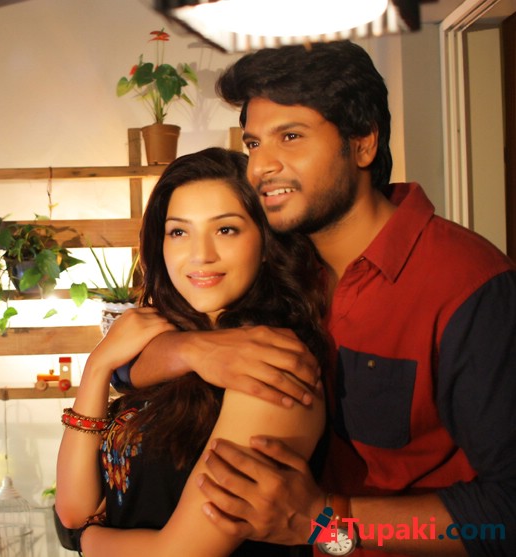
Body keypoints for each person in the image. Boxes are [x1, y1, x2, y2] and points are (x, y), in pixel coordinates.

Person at [117, 41, 516, 556]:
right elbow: (126, 359)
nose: (261, 167)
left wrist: (326, 521)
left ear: (363, 143)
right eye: (254, 143)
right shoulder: (281, 260)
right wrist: (189, 350)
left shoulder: (467, 285)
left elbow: (506, 517)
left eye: (291, 137)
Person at [55, 147, 329, 556]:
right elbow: (74, 509)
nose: (201, 255)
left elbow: (178, 553)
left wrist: (86, 542)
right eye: (179, 232)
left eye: (226, 230)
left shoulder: (271, 363)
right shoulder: (163, 341)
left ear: (266, 243)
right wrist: (98, 366)